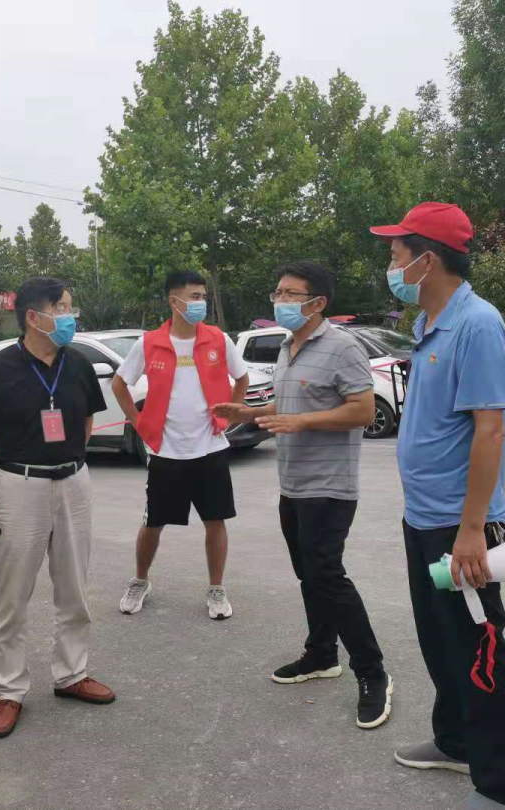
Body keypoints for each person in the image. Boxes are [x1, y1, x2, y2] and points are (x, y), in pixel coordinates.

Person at [370, 203, 505, 810]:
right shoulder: (429, 322)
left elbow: (490, 430)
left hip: (461, 527)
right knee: (441, 642)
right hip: (425, 519)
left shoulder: (477, 324)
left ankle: (502, 789)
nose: (392, 264)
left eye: (397, 253)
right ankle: (456, 741)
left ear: (427, 259)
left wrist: (471, 530)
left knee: (479, 651)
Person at [213, 260, 392, 730]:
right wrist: (250, 413)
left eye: (290, 294)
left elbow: (362, 410)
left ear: (318, 302)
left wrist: (302, 422)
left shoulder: (342, 347)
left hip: (330, 486)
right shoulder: (287, 346)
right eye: (277, 292)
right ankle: (321, 654)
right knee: (309, 576)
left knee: (328, 576)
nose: (280, 301)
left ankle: (373, 672)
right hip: (292, 485)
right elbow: (293, 404)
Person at [0, 276, 116, 741]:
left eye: (70, 308)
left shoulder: (79, 364)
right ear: (33, 316)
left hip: (73, 484)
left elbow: (86, 422)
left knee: (74, 588)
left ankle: (72, 674)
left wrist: (67, 463)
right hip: (17, 485)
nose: (70, 317)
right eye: (62, 308)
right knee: (12, 595)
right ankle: (9, 691)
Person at [112, 270, 249, 620]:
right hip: (165, 452)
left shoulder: (218, 339)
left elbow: (242, 378)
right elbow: (119, 384)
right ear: (175, 302)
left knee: (216, 521)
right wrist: (139, 423)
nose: (201, 303)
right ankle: (140, 580)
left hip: (210, 449)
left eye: (203, 296)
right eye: (195, 297)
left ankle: (216, 588)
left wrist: (231, 415)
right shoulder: (150, 343)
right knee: (153, 522)